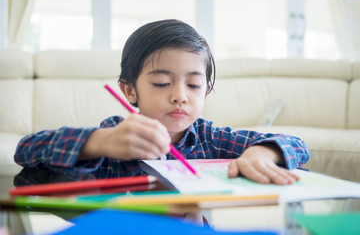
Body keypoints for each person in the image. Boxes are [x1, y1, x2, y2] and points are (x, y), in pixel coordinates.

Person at [15, 19, 310, 186]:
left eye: (194, 85)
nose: (180, 95)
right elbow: (26, 153)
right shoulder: (115, 136)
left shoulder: (210, 139)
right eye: (161, 83)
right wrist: (98, 143)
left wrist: (262, 153)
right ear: (129, 91)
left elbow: (297, 145)